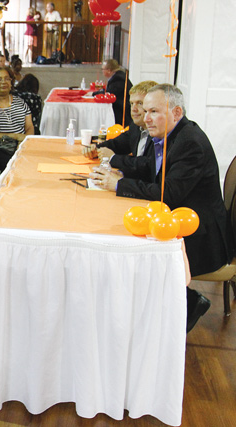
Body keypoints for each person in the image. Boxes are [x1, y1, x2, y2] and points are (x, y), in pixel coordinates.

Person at [90, 84, 235, 332]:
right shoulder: (173, 135)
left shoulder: (190, 143)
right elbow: (149, 167)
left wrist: (120, 184)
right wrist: (114, 168)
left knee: (130, 253)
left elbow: (168, 194)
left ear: (176, 112)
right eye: (145, 111)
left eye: (153, 111)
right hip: (183, 220)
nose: (145, 118)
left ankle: (184, 304)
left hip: (202, 237)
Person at [83, 80, 158, 171]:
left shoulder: (159, 131)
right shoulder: (136, 127)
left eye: (140, 103)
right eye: (131, 103)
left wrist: (113, 158)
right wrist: (96, 149)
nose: (133, 109)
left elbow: (148, 164)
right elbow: (118, 144)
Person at [94, 59, 133, 126]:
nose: (102, 71)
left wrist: (93, 94)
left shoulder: (118, 79)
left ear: (109, 70)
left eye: (103, 69)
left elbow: (108, 93)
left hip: (122, 110)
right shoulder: (118, 76)